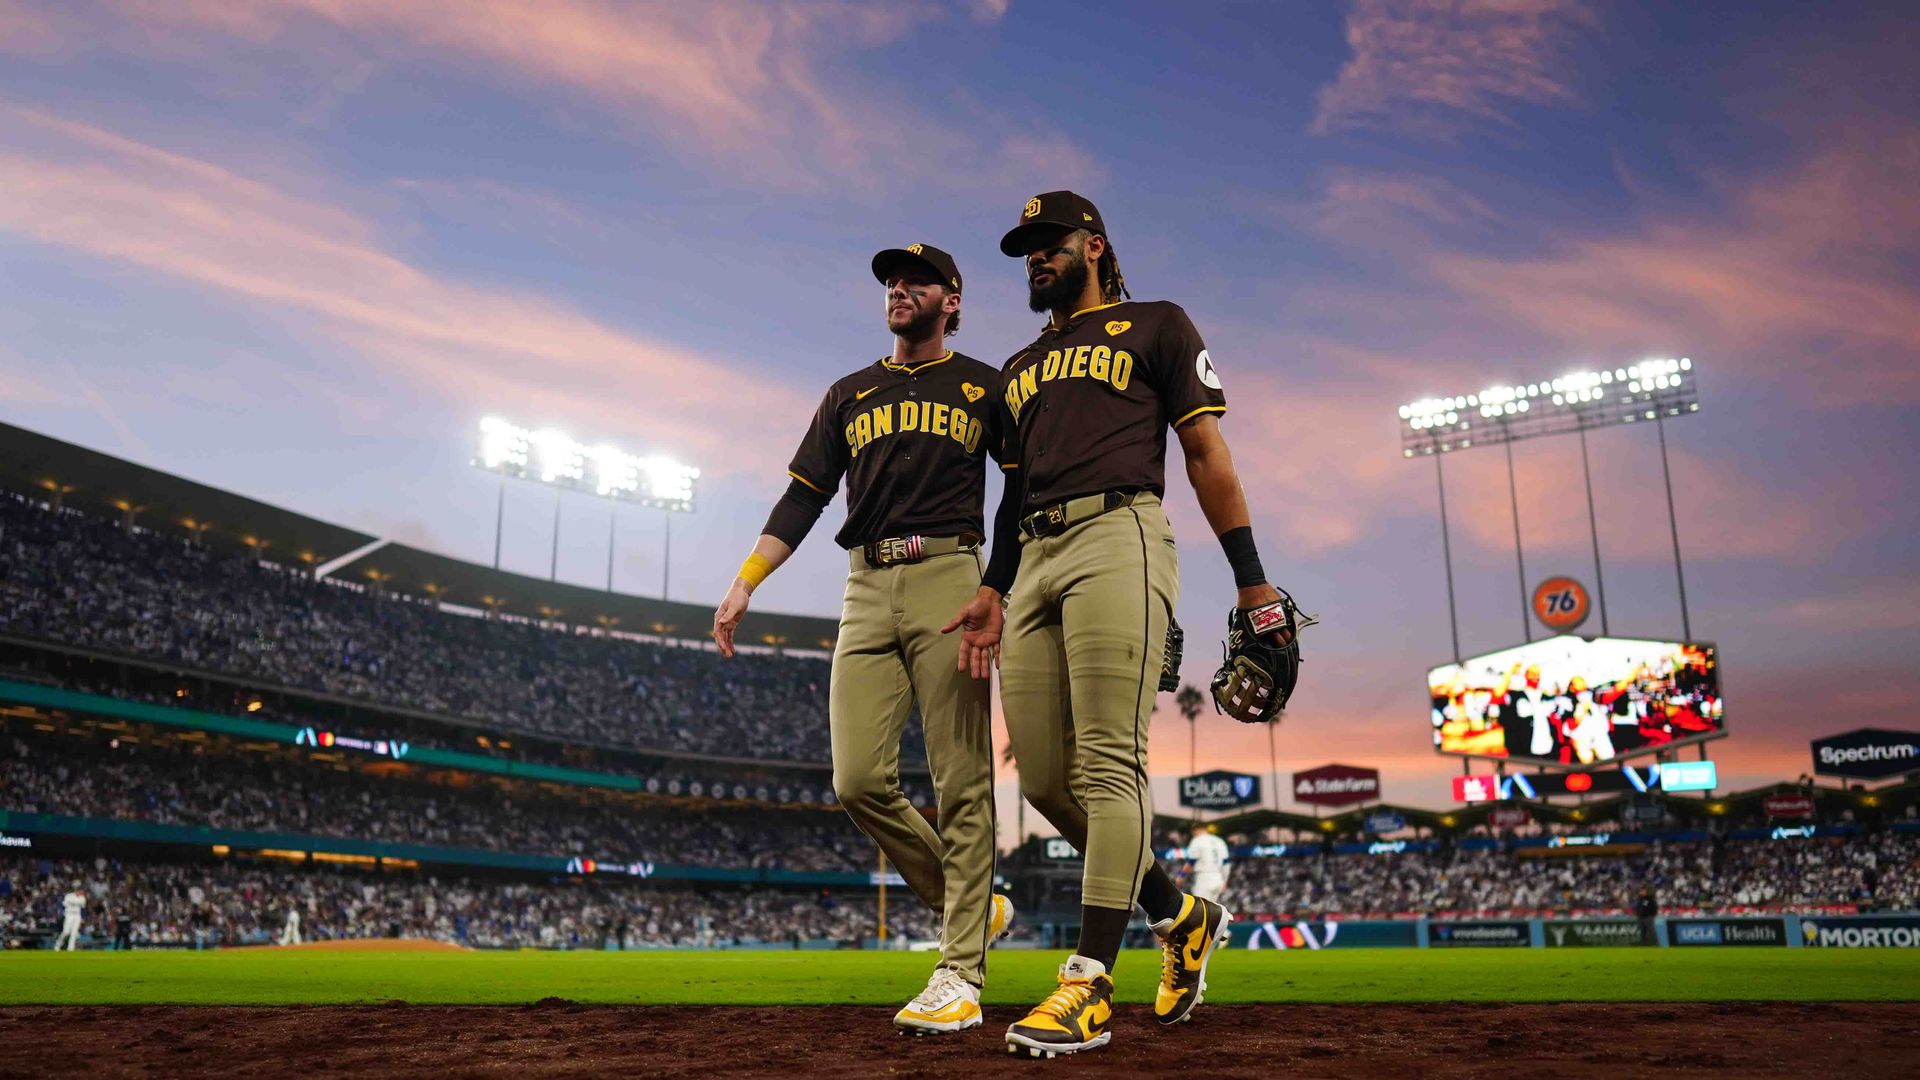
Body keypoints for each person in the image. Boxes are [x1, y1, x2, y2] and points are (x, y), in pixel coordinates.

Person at [947, 191, 1288, 1058]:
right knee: (1048, 783)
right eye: (1024, 249)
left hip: (1121, 532)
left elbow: (1207, 455)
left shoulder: (1156, 324)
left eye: (1049, 243)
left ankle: (1088, 985)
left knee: (1110, 763)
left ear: (1092, 246)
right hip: (1031, 558)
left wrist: (1253, 583)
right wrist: (992, 585)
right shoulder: (1021, 366)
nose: (1034, 258)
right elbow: (1014, 491)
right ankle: (1180, 917)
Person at [712, 242, 1013, 1036]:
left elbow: (1022, 489)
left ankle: (960, 971)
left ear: (952, 301)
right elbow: (803, 497)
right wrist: (748, 580)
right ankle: (975, 906)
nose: (899, 289)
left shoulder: (985, 385)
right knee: (856, 780)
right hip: (865, 585)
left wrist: (1000, 586)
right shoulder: (850, 391)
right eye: (890, 281)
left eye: (916, 281)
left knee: (963, 781)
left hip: (951, 572)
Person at [1187, 825, 1231, 902]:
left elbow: (1191, 861)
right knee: (1211, 909)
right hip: (1218, 878)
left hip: (1204, 878)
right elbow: (1226, 864)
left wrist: (1181, 875)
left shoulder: (1197, 840)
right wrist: (1225, 881)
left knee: (1199, 907)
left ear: (1196, 830)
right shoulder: (1220, 841)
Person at [53, 884, 85, 951]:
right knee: (66, 932)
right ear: (77, 890)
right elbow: (62, 905)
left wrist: (82, 917)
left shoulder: (82, 898)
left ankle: (70, 949)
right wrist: (62, 914)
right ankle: (58, 945)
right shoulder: (69, 896)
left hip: (77, 916)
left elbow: (82, 909)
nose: (82, 892)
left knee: (74, 933)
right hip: (69, 915)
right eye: (80, 891)